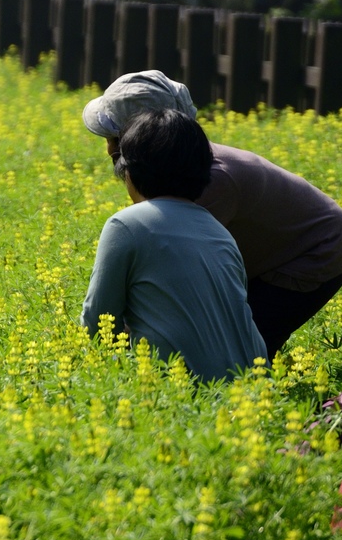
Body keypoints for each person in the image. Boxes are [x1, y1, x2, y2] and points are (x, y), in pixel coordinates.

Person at [82, 70, 342, 359]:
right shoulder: (181, 166)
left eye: (115, 136)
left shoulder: (206, 182)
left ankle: (255, 396)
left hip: (315, 250)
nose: (110, 148)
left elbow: (178, 273)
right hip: (271, 249)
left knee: (237, 347)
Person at [81, 109, 267, 384]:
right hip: (252, 389)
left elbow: (98, 324)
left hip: (184, 392)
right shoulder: (219, 231)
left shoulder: (127, 225)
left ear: (129, 171)